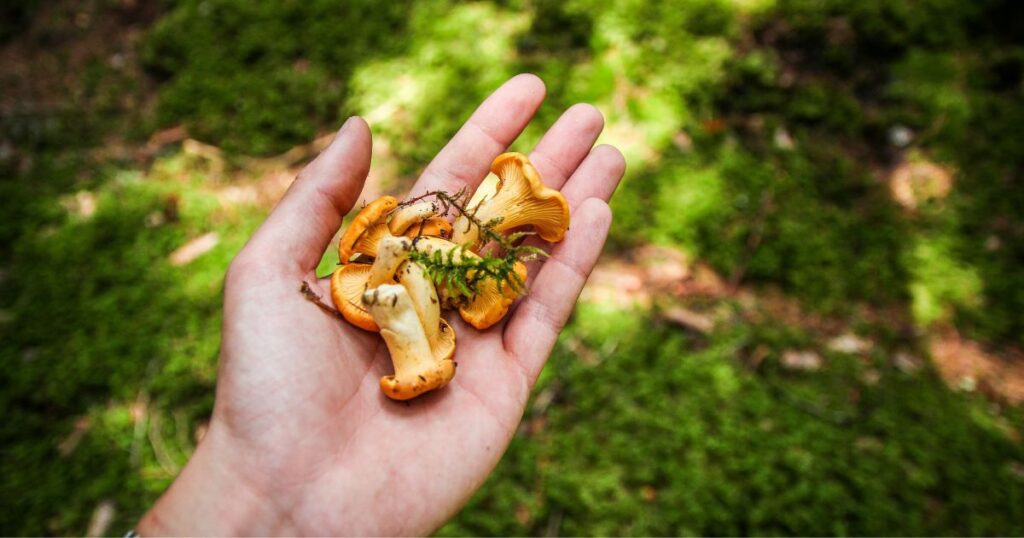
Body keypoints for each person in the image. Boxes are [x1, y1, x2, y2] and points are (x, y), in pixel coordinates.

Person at [136, 74, 625, 536]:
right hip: (421, 346)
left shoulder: (414, 257)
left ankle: (462, 295)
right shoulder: (382, 271)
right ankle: (432, 336)